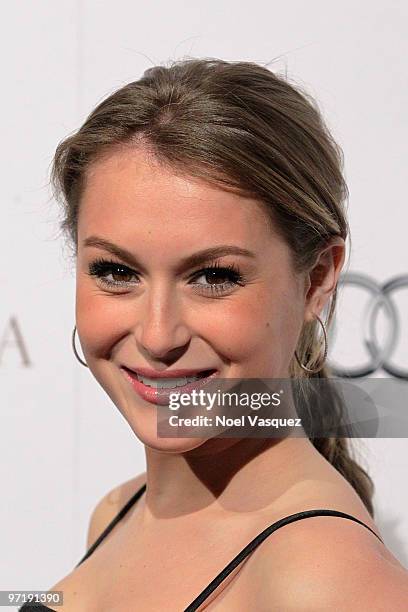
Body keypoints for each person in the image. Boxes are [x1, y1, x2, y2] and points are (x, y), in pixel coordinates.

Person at [21, 58, 408, 611]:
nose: (157, 335)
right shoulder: (118, 511)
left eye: (213, 277)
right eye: (116, 272)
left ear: (316, 279)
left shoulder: (327, 582)